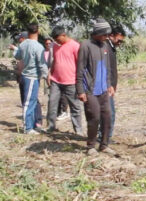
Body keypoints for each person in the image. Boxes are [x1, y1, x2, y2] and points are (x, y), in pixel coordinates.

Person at [76, 19, 117, 155]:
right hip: (90, 90)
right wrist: (80, 90)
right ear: (97, 33)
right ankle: (91, 146)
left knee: (107, 116)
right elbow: (80, 69)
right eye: (104, 35)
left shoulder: (105, 46)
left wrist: (110, 84)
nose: (106, 37)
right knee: (94, 117)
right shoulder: (85, 46)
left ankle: (104, 145)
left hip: (104, 89)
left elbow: (107, 68)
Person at [46, 27, 85, 135]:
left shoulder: (75, 46)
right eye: (55, 40)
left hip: (71, 82)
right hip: (56, 81)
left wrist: (80, 81)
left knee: (75, 106)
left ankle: (78, 130)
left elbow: (80, 65)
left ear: (64, 35)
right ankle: (51, 126)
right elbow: (54, 61)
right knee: (52, 103)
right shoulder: (55, 46)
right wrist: (50, 73)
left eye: (58, 39)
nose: (56, 42)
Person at [14, 24, 48, 134]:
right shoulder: (38, 47)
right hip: (32, 77)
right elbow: (42, 64)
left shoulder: (23, 44)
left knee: (32, 102)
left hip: (24, 76)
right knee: (29, 103)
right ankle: (27, 127)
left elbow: (17, 56)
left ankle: (33, 125)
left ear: (28, 33)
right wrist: (47, 76)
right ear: (38, 32)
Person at [100, 25, 126, 142]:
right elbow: (106, 69)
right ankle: (105, 137)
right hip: (105, 86)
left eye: (121, 41)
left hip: (109, 86)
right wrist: (109, 85)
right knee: (109, 113)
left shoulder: (110, 48)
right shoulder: (105, 48)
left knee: (107, 112)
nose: (119, 43)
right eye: (118, 40)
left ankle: (104, 136)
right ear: (111, 36)